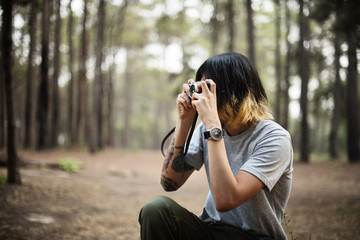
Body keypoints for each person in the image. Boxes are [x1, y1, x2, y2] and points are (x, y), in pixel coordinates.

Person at [138, 52, 293, 240]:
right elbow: (170, 183)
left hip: (255, 236)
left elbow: (226, 200)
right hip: (212, 230)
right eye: (199, 89)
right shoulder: (209, 128)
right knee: (156, 209)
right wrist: (184, 122)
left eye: (208, 89)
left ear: (233, 90)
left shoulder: (274, 138)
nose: (201, 97)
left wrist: (212, 126)